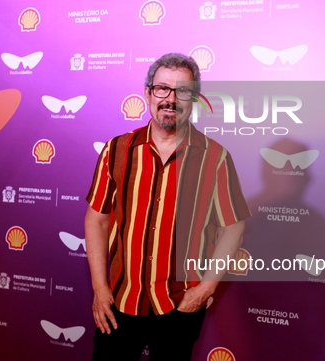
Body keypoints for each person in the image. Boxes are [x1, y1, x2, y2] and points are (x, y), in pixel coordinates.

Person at [85, 53, 250, 361]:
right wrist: (99, 288)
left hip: (180, 305)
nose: (170, 99)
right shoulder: (117, 150)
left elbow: (233, 226)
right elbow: (97, 220)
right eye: (162, 88)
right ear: (147, 93)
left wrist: (205, 289)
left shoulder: (215, 158)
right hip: (119, 301)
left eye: (183, 91)